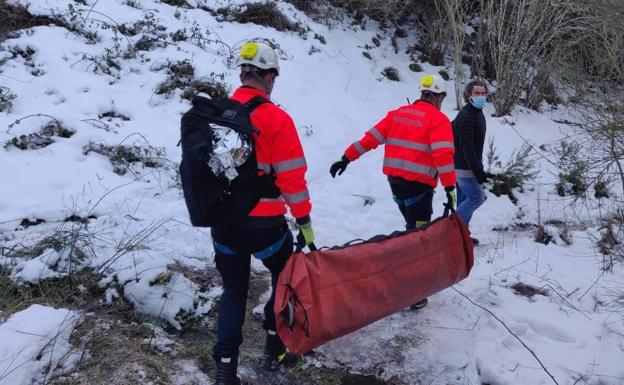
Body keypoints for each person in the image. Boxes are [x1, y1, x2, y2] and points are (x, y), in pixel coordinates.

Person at [211, 41, 314, 385]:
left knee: (233, 291)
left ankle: (225, 369)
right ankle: (276, 350)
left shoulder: (217, 113)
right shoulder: (276, 118)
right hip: (264, 225)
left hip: (223, 222)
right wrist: (304, 222)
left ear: (242, 73)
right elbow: (292, 178)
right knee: (283, 279)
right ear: (270, 76)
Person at [329, 74, 456, 310]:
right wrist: (450, 187)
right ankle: (412, 292)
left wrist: (345, 157)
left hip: (396, 186)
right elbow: (443, 157)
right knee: (417, 239)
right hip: (419, 189)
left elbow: (370, 140)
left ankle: (406, 279)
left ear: (421, 94)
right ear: (439, 97)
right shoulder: (439, 120)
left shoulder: (397, 114)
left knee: (413, 232)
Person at [452, 80, 491, 245]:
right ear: (469, 95)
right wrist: (479, 172)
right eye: (477, 93)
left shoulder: (476, 112)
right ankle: (449, 229)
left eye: (483, 93)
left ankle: (460, 238)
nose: (481, 96)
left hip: (463, 166)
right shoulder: (467, 116)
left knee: (463, 202)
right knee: (476, 198)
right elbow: (467, 147)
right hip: (465, 167)